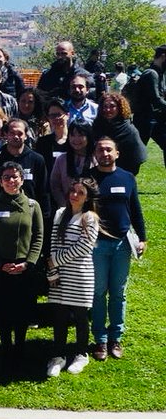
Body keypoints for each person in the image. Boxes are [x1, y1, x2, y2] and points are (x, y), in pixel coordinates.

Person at [87, 137, 146, 361]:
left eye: (109, 150)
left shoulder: (127, 177)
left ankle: (116, 337)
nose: (105, 153)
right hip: (97, 244)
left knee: (119, 293)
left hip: (122, 244)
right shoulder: (88, 179)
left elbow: (135, 210)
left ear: (117, 154)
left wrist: (143, 238)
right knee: (99, 292)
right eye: (100, 150)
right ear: (95, 153)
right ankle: (100, 339)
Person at [0, 162, 44, 371]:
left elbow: (38, 236)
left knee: (22, 310)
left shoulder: (32, 206)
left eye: (15, 177)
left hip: (25, 269)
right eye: (7, 177)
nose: (11, 181)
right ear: (0, 182)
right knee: (3, 311)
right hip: (2, 268)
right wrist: (0, 263)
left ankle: (20, 347)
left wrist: (28, 263)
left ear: (22, 179)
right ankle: (6, 347)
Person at [45, 178, 99, 377]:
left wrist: (54, 260)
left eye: (80, 193)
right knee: (59, 316)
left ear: (87, 198)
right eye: (73, 191)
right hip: (61, 275)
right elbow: (54, 244)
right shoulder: (60, 214)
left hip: (80, 275)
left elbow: (83, 247)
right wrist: (53, 271)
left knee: (80, 316)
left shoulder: (90, 218)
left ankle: (81, 353)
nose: (74, 195)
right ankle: (58, 356)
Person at [93, 92, 146, 175]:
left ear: (120, 108)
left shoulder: (129, 130)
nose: (108, 110)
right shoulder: (97, 125)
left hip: (125, 168)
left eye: (112, 106)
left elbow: (136, 157)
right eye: (105, 106)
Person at [50, 121, 95, 213]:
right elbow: (55, 186)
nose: (76, 139)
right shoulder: (61, 159)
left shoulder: (95, 159)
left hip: (90, 210)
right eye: (73, 135)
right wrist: (65, 205)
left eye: (81, 135)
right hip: (66, 209)